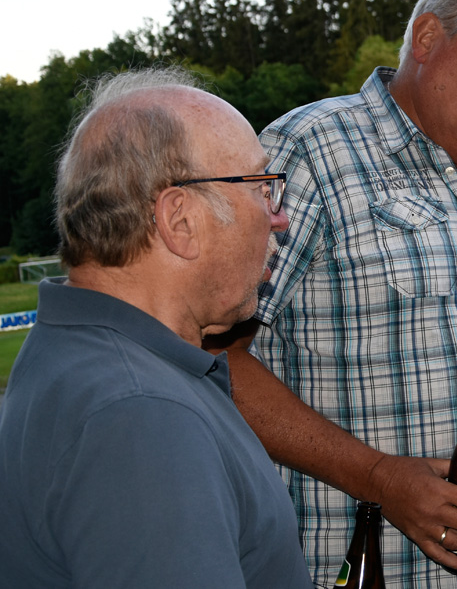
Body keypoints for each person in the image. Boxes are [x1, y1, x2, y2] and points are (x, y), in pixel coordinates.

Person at [209, 0, 457, 587]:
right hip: (357, 562)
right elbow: (214, 357)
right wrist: (379, 476)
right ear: (429, 37)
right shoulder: (309, 153)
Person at [0, 69, 312, 588]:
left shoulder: (92, 360)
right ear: (180, 220)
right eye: (260, 186)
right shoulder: (139, 413)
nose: (278, 217)